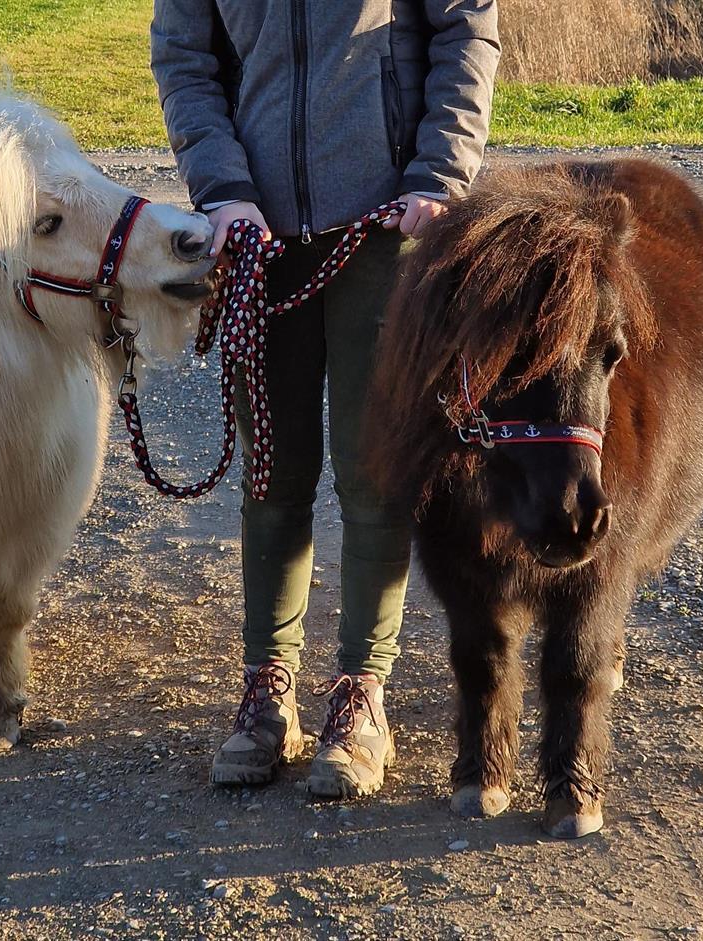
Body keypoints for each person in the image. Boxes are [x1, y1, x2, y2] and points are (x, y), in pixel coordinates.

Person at [151, 0, 500, 798]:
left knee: (375, 473)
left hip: (386, 231)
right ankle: (267, 688)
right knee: (274, 476)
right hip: (255, 237)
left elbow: (466, 28)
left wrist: (438, 174)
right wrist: (223, 188)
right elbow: (184, 57)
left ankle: (360, 694)